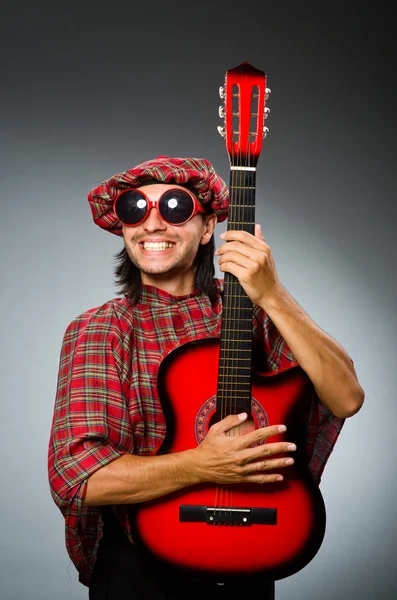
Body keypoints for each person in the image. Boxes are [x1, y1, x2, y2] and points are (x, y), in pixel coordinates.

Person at [48, 155, 364, 599]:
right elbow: (76, 477)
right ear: (124, 229)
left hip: (252, 553)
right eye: (135, 210)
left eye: (175, 208)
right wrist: (203, 464)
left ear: (210, 226)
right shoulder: (102, 329)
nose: (153, 225)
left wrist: (273, 293)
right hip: (142, 571)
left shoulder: (254, 315)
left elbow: (346, 398)